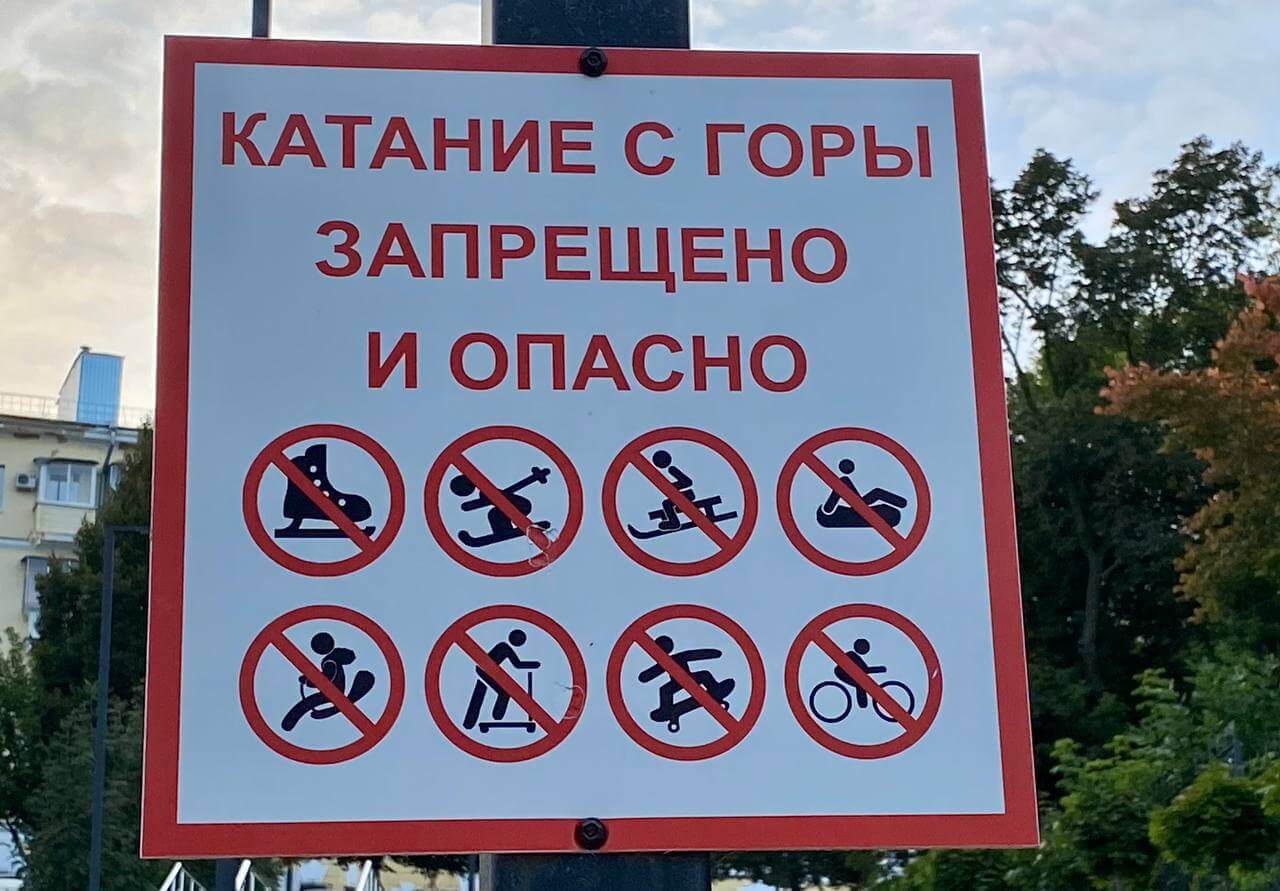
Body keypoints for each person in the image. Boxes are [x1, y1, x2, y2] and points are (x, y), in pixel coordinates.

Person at [281, 632, 375, 731]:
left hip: (332, 691)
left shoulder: (329, 661)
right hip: (332, 691)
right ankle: (289, 723)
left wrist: (307, 681)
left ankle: (289, 723)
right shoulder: (331, 660)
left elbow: (325, 679)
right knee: (305, 705)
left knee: (305, 705)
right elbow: (324, 679)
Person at [638, 635, 735, 729]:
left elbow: (697, 654)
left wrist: (714, 653)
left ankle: (716, 689)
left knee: (704, 674)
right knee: (665, 689)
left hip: (690, 678)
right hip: (677, 683)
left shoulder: (678, 657)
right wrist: (714, 653)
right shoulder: (665, 662)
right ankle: (665, 710)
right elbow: (645, 676)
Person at [463, 629, 541, 729]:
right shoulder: (504, 648)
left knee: (483, 691)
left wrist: (532, 664)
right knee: (503, 693)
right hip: (484, 671)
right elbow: (517, 664)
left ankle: (472, 721)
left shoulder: (503, 647)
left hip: (483, 670)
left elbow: (517, 663)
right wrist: (533, 664)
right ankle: (495, 716)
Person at [816, 458, 908, 529]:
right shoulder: (867, 515)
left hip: (828, 517)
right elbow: (902, 502)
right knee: (846, 483)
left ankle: (828, 509)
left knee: (845, 481)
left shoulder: (864, 514)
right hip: (829, 517)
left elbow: (871, 498)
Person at [834, 637, 886, 708]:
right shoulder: (851, 655)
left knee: (860, 685)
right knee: (860, 684)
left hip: (843, 673)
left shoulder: (851, 655)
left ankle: (862, 700)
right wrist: (880, 669)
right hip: (842, 672)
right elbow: (866, 669)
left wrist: (879, 669)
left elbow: (866, 669)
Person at [652, 450, 695, 531]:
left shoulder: (672, 470)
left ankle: (674, 523)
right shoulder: (672, 470)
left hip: (687, 494)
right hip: (686, 494)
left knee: (666, 503)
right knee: (666, 503)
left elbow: (688, 482)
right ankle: (673, 522)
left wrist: (671, 487)